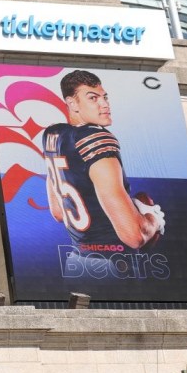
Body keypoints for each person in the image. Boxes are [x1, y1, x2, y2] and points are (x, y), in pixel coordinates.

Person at [41, 70, 165, 259]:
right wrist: (153, 219)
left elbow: (59, 213)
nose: (104, 104)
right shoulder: (96, 138)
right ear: (72, 103)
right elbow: (134, 236)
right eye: (93, 98)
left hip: (77, 262)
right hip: (114, 264)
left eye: (104, 97)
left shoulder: (53, 135)